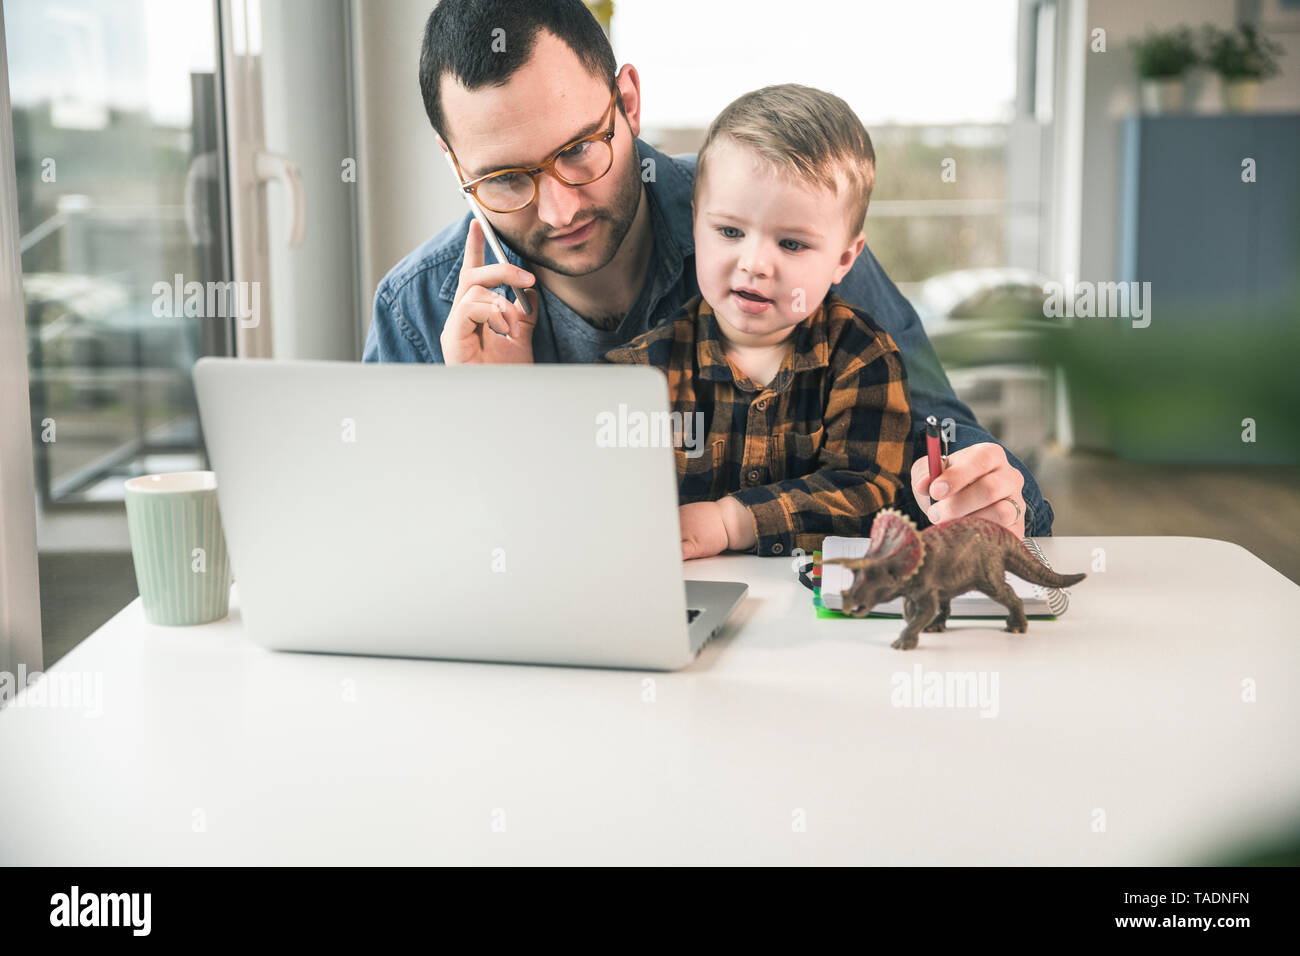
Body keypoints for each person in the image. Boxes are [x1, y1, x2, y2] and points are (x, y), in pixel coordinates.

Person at [361, 0, 1054, 540]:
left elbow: (961, 458)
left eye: (578, 150)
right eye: (507, 178)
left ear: (628, 101)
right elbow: (391, 553)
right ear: (455, 163)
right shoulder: (417, 310)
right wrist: (486, 422)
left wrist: (983, 496)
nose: (559, 206)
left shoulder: (780, 229)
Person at [602, 84, 911, 559]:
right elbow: (599, 502)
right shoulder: (639, 373)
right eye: (729, 231)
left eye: (791, 244)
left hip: (817, 618)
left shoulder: (863, 358)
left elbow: (869, 494)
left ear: (844, 259)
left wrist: (733, 520)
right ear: (695, 223)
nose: (755, 264)